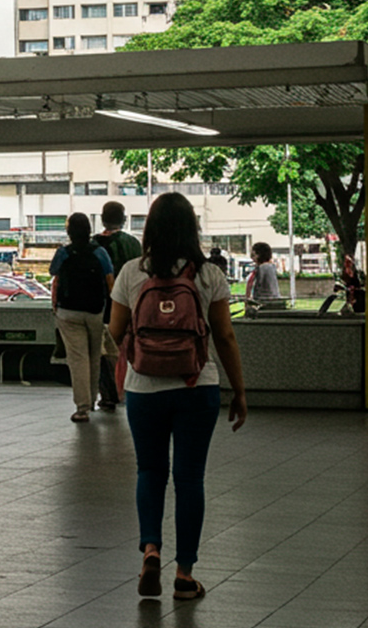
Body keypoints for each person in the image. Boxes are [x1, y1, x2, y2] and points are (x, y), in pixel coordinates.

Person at [108, 192, 247, 602]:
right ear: (193, 228)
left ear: (149, 227)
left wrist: (142, 349)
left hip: (143, 389)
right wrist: (238, 390)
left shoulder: (132, 271)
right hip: (196, 386)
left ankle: (151, 549)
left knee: (150, 471)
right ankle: (184, 574)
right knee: (189, 479)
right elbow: (224, 336)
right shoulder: (209, 275)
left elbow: (115, 330)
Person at [51, 212, 116, 422]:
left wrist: (55, 307)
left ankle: (82, 407)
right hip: (95, 311)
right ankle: (92, 399)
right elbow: (109, 281)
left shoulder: (63, 253)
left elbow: (55, 277)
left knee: (77, 359)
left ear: (69, 231)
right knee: (94, 356)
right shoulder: (100, 252)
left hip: (68, 311)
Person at [94, 201, 143, 410]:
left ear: (102, 218)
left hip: (97, 307)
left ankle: (107, 394)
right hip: (129, 305)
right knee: (125, 350)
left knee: (101, 351)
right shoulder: (132, 244)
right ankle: (125, 390)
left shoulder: (92, 244)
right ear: (123, 219)